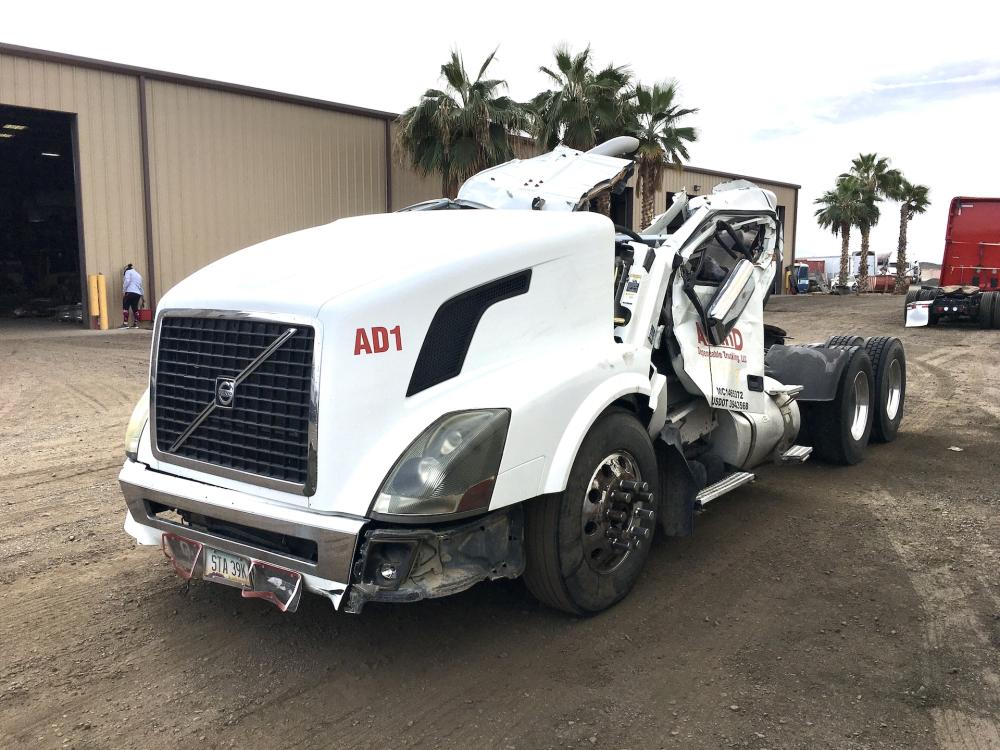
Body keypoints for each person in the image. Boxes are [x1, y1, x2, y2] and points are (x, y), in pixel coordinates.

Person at [122, 264, 143, 328]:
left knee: (125, 306)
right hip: (138, 293)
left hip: (130, 291)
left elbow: (127, 281)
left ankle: (125, 323)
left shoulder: (128, 272)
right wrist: (142, 296)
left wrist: (124, 290)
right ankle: (135, 324)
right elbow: (140, 286)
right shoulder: (139, 275)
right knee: (135, 307)